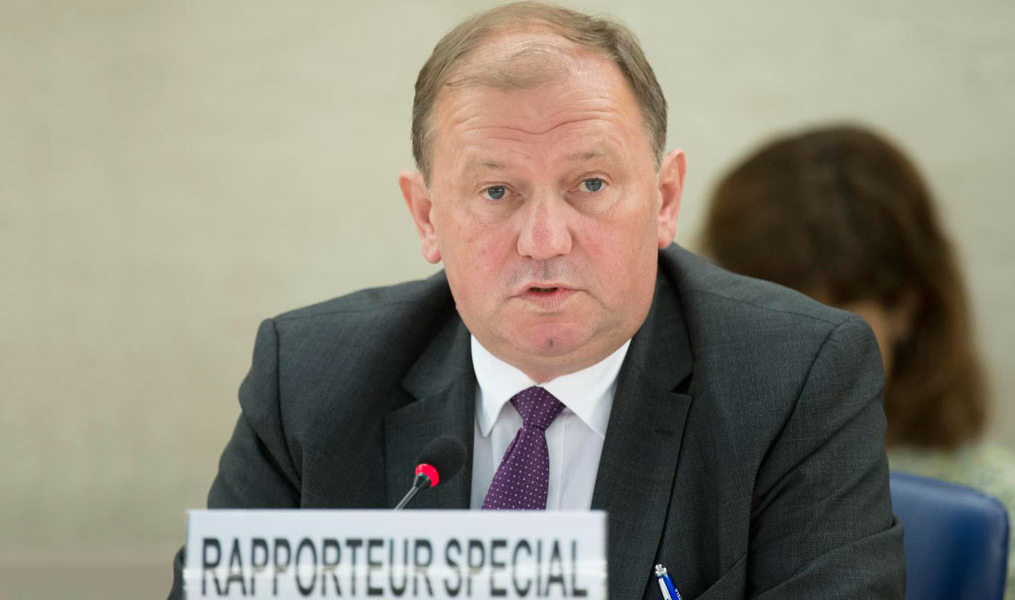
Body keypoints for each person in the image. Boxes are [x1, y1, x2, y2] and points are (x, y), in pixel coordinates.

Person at [169, 4, 904, 598]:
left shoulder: (793, 379)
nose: (545, 240)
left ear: (665, 200)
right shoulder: (307, 379)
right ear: (427, 217)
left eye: (590, 184)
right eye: (497, 191)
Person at [702, 123, 1015, 599]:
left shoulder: (994, 507)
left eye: (827, 319)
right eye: (762, 314)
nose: (791, 353)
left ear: (905, 308)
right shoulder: (696, 473)